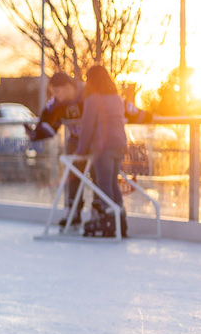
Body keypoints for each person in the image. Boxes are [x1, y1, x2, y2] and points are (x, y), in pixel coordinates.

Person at [26, 70, 152, 229]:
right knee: (73, 177)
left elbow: (119, 107)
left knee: (100, 180)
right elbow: (47, 120)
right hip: (76, 144)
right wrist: (35, 134)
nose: (55, 96)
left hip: (96, 144)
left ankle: (101, 213)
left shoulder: (90, 93)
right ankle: (74, 212)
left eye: (56, 91)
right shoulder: (56, 103)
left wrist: (148, 116)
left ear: (67, 86)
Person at [76, 65, 129, 238]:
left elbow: (87, 126)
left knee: (103, 183)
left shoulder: (93, 99)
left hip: (103, 146)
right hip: (119, 145)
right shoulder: (116, 98)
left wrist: (81, 150)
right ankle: (120, 218)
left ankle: (108, 218)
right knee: (112, 182)